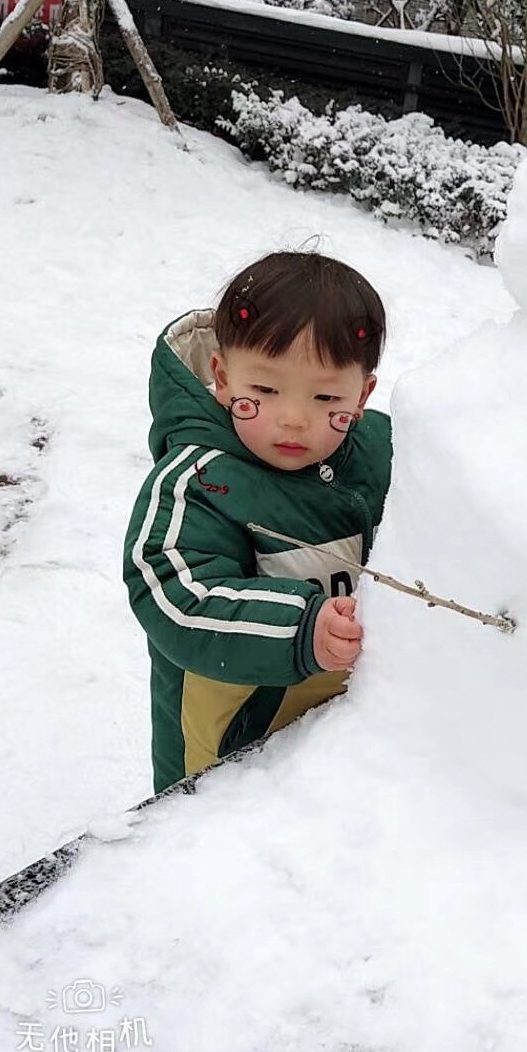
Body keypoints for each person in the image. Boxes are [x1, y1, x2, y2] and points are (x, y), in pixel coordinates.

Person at [123, 250, 392, 794]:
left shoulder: (385, 451)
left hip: (347, 728)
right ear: (222, 377)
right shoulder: (201, 482)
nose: (294, 417)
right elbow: (175, 592)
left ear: (362, 393)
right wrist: (299, 629)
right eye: (265, 391)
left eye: (326, 397)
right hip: (226, 733)